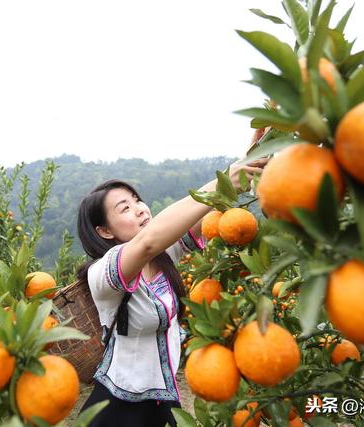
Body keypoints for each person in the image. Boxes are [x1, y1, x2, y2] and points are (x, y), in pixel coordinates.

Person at [75, 157, 267, 426]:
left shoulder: (164, 255)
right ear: (105, 231)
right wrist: (222, 181)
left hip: (163, 400)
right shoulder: (102, 274)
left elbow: (199, 215)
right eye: (125, 208)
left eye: (136, 199)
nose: (140, 209)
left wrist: (250, 157)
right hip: (118, 408)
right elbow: (147, 243)